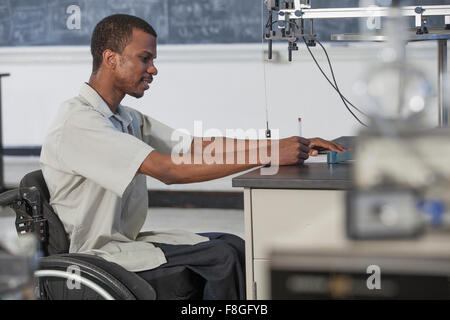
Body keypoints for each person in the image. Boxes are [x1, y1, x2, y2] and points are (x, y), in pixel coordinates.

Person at [39, 14, 346, 300]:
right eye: (144, 59)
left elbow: (195, 147)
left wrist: (286, 145)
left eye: (153, 60)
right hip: (96, 259)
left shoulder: (124, 117)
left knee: (233, 245)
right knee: (222, 260)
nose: (153, 69)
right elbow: (169, 170)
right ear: (110, 59)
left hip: (124, 244)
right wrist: (270, 154)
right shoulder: (79, 123)